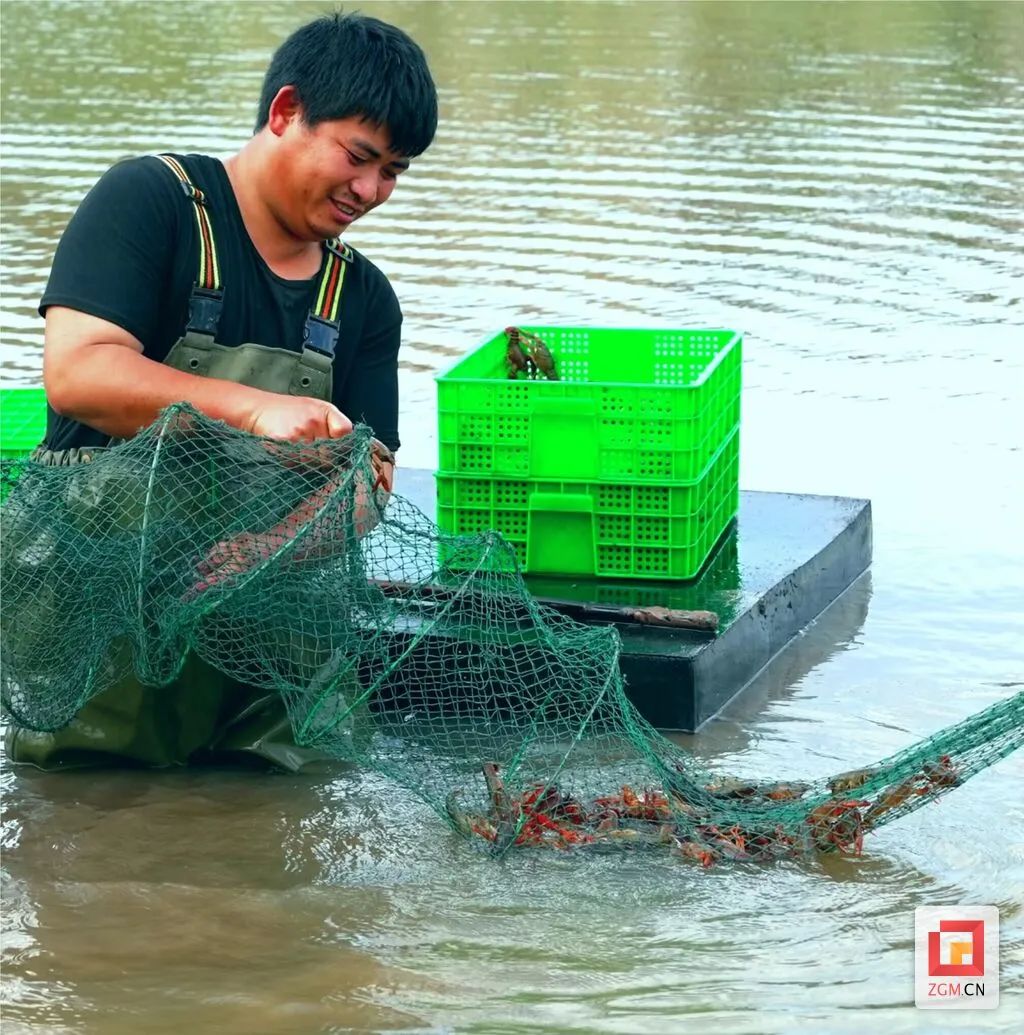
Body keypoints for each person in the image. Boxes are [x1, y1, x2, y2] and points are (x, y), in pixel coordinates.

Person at [6, 11, 438, 770]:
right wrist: (259, 410)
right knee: (84, 811)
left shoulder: (365, 299)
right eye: (360, 156)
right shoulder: (154, 200)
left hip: (270, 631)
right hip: (106, 606)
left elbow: (372, 482)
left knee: (280, 811)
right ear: (285, 113)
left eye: (395, 171)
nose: (372, 190)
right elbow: (79, 373)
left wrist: (271, 550)